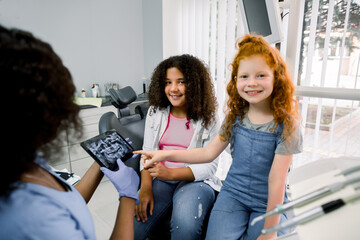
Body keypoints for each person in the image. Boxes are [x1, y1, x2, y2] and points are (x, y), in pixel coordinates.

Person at [136, 35, 303, 240]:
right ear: (235, 80)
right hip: (233, 195)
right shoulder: (235, 118)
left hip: (267, 201)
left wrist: (269, 232)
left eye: (261, 75)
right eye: (244, 76)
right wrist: (162, 154)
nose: (252, 83)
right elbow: (207, 152)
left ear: (277, 77)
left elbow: (277, 180)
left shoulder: (287, 126)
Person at [0, 25, 139, 240]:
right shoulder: (31, 220)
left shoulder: (26, 160)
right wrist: (128, 197)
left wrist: (100, 163)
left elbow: (68, 200)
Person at [134, 54, 222, 240]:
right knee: (134, 227)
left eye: (181, 82)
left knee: (185, 227)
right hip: (160, 179)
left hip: (196, 182)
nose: (173, 89)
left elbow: (210, 165)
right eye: (168, 82)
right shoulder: (155, 112)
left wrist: (171, 174)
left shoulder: (210, 118)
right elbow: (147, 152)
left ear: (195, 84)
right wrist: (145, 188)